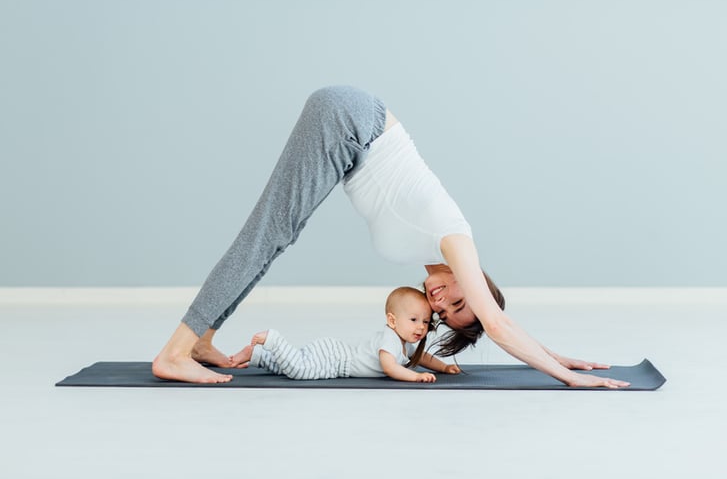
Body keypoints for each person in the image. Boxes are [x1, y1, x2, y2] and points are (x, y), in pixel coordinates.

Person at [152, 85, 630, 388]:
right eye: (460, 303)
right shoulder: (455, 238)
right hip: (352, 122)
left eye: (441, 313)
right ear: (480, 282)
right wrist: (567, 377)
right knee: (268, 234)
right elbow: (500, 325)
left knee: (276, 234)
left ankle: (199, 342)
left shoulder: (431, 255)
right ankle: (174, 352)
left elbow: (496, 322)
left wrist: (553, 352)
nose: (439, 303)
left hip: (352, 130)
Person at [230, 286, 460, 382]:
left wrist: (444, 367)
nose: (421, 327)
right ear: (392, 320)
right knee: (298, 370)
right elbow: (390, 368)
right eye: (413, 320)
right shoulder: (390, 338)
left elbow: (422, 358)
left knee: (289, 365)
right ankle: (273, 339)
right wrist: (416, 377)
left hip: (334, 352)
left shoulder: (403, 342)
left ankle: (257, 355)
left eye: (425, 322)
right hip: (335, 361)